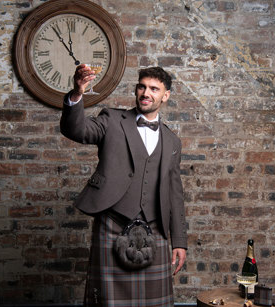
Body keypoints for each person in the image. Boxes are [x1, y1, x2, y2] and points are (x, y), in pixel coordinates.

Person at [60, 64, 187, 307]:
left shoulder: (172, 141)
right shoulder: (112, 120)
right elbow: (76, 130)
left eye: (153, 89)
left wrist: (179, 241)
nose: (146, 93)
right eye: (142, 87)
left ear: (165, 95)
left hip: (155, 228)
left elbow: (174, 193)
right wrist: (77, 93)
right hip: (113, 223)